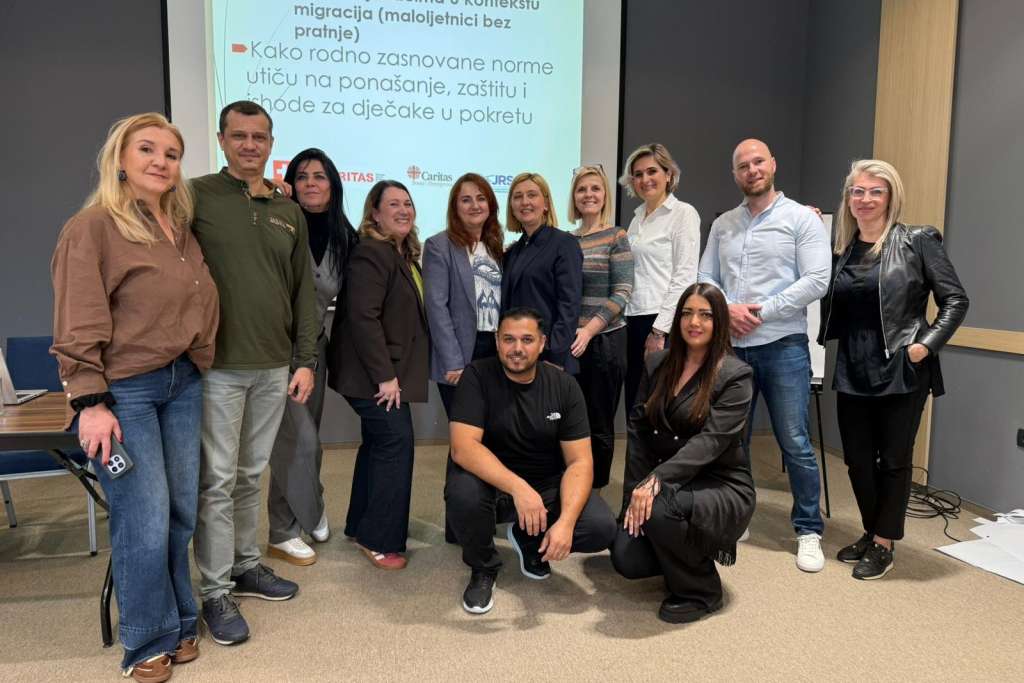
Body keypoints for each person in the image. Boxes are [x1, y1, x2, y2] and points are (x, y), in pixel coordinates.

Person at [51, 113, 219, 681]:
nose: (160, 161)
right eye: (146, 149)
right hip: (125, 390)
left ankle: (180, 619)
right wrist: (90, 402)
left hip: (182, 382)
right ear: (119, 159)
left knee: (179, 511)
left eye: (171, 154)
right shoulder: (92, 227)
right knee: (143, 516)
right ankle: (146, 637)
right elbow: (77, 317)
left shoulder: (179, 229)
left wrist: (199, 356)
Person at [191, 101, 319, 645]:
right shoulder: (195, 196)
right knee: (217, 481)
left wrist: (305, 360)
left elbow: (304, 291)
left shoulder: (288, 210)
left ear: (271, 143)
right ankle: (215, 589)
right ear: (222, 140)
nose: (249, 145)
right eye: (239, 136)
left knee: (250, 475)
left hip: (273, 365)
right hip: (217, 367)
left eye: (259, 137)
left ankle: (245, 565)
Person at [818, 160, 968, 580]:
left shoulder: (917, 241)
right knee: (857, 461)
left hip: (902, 367)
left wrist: (924, 346)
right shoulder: (842, 250)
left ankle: (883, 543)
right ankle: (872, 531)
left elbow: (956, 300)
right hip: (852, 366)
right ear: (848, 198)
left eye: (875, 191)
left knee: (894, 461)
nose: (864, 199)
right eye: (857, 191)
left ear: (890, 197)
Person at [698, 138, 831, 572]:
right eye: (743, 165)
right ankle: (739, 515)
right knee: (732, 440)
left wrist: (760, 312)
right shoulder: (724, 224)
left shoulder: (801, 219)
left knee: (794, 442)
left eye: (758, 162)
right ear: (734, 174)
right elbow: (705, 276)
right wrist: (729, 309)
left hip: (784, 346)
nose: (751, 170)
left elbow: (817, 279)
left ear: (772, 164)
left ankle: (808, 530)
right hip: (732, 348)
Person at [446, 307, 618, 615]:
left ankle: (529, 537)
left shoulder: (564, 386)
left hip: (545, 484)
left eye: (527, 340)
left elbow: (580, 462)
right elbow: (463, 448)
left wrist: (565, 523)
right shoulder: (477, 376)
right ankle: (484, 567)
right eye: (508, 339)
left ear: (542, 343)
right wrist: (519, 488)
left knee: (600, 527)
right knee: (463, 495)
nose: (517, 348)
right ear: (497, 342)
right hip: (489, 483)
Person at [610, 283, 754, 624]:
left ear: (719, 322)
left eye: (705, 315)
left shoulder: (735, 375)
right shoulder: (657, 363)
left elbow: (710, 443)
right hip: (666, 479)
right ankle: (679, 552)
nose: (695, 322)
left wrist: (655, 482)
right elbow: (638, 433)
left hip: (718, 483)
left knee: (659, 510)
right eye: (687, 313)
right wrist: (632, 495)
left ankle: (702, 591)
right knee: (627, 559)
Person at [327, 179, 429, 571]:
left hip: (385, 372)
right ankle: (379, 539)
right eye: (393, 204)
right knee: (395, 443)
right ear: (375, 213)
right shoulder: (372, 252)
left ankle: (360, 525)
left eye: (408, 203)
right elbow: (362, 318)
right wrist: (385, 376)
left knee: (377, 444)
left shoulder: (402, 254)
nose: (403, 210)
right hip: (373, 376)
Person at [265, 148, 358, 566]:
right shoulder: (277, 222)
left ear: (333, 185)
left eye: (319, 176)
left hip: (313, 349)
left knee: (303, 440)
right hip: (272, 349)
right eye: (301, 176)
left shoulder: (344, 237)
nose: (310, 183)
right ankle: (299, 518)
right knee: (298, 441)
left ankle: (290, 522)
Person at [618, 143, 701, 413]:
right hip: (633, 320)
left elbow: (684, 277)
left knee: (661, 408)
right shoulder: (636, 219)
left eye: (652, 171)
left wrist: (659, 331)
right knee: (636, 405)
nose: (645, 179)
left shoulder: (683, 214)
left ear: (668, 174)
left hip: (663, 323)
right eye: (638, 174)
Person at [569, 164, 634, 488]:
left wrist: (589, 329)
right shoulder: (567, 240)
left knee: (599, 422)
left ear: (605, 195)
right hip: (571, 342)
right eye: (582, 189)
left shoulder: (616, 236)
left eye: (595, 188)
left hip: (604, 341)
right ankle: (572, 482)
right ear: (574, 197)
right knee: (569, 420)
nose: (588, 195)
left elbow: (623, 291)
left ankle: (594, 490)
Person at [423, 173, 503, 416]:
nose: (474, 205)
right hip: (462, 351)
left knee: (492, 426)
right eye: (466, 200)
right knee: (466, 427)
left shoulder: (495, 245)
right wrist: (453, 361)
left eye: (481, 198)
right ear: (455, 207)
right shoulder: (439, 246)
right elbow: (436, 308)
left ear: (490, 204)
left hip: (496, 350)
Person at [501, 172, 584, 374]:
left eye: (532, 195)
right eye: (518, 196)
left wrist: (555, 355)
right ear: (511, 206)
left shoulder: (564, 244)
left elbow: (569, 305)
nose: (524, 202)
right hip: (517, 357)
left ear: (545, 203)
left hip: (550, 360)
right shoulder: (512, 252)